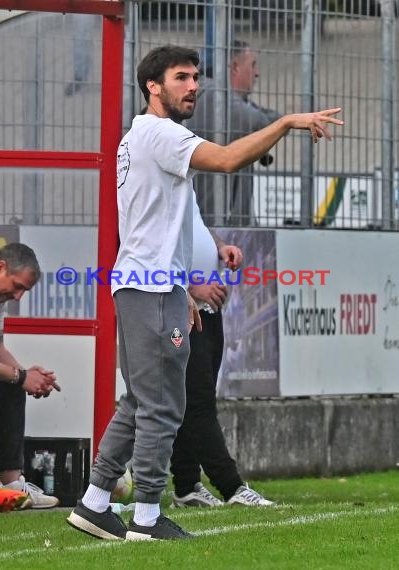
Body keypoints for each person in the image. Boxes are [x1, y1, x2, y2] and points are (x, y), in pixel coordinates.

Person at [67, 44, 343, 542]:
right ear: (153, 86)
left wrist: (183, 291)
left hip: (149, 286)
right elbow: (228, 158)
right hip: (151, 290)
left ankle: (94, 502)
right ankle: (147, 518)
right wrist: (285, 123)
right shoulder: (162, 133)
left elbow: (162, 226)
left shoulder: (139, 136)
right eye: (181, 77)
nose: (193, 85)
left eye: (195, 77)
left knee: (139, 402)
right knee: (164, 405)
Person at [170, 197, 275, 508]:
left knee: (190, 402)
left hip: (207, 313)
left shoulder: (183, 184)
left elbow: (196, 228)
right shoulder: (156, 186)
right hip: (180, 316)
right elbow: (148, 252)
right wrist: (190, 287)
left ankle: (186, 486)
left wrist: (218, 245)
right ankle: (232, 487)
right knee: (196, 401)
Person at [0, 243, 61, 509]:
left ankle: (11, 483)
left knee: (10, 383)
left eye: (24, 291)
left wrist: (27, 376)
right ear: (0, 267)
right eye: (17, 286)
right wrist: (20, 376)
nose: (18, 297)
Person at [187, 39, 282, 226]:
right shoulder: (216, 98)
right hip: (212, 223)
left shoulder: (222, 99)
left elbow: (260, 115)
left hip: (208, 220)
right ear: (236, 68)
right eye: (253, 65)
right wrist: (285, 123)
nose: (257, 73)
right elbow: (261, 122)